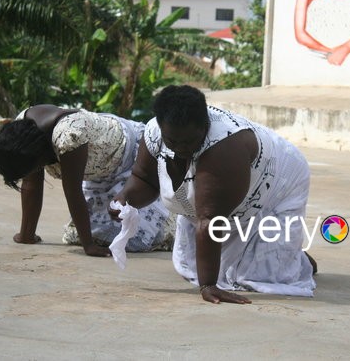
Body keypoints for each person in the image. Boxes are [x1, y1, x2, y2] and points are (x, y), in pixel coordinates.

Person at [110, 85, 316, 304]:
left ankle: (296, 260)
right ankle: (290, 254)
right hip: (226, 196)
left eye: (189, 141)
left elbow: (211, 220)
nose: (180, 148)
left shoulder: (223, 147)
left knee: (263, 277)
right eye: (173, 141)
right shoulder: (155, 133)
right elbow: (145, 179)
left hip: (280, 178)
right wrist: (125, 198)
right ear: (161, 127)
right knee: (197, 265)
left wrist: (208, 285)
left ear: (204, 125)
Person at [0, 104, 173, 257]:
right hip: (99, 171)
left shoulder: (69, 136)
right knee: (90, 234)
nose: (29, 176)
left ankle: (177, 222)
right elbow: (31, 184)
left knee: (135, 238)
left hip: (131, 156)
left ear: (38, 159)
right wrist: (26, 235)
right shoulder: (23, 135)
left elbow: (73, 193)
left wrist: (89, 246)